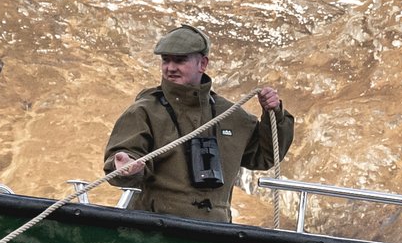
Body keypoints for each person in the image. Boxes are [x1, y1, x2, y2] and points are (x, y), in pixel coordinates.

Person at [102, 26, 294, 220]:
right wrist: (126, 167)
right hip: (155, 232)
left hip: (215, 234)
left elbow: (264, 156)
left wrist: (276, 114)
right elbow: (122, 162)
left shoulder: (230, 114)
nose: (170, 68)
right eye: (165, 60)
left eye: (180, 60)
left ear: (202, 64)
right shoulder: (144, 111)